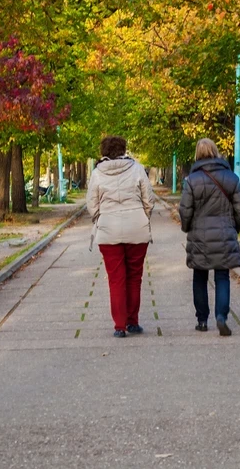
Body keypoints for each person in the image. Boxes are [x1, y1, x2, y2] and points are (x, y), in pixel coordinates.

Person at [86, 136, 155, 338]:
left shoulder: (98, 174)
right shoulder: (137, 169)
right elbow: (148, 199)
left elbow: (92, 205)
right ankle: (133, 322)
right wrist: (143, 215)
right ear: (124, 149)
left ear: (103, 151)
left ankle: (119, 326)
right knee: (135, 277)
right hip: (136, 229)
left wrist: (102, 217)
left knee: (116, 279)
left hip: (109, 232)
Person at [179, 138, 240, 336]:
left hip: (200, 235)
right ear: (216, 152)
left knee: (199, 276)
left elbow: (185, 210)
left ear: (197, 155)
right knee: (222, 275)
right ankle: (221, 316)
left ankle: (202, 320)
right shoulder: (231, 178)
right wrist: (235, 228)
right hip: (225, 232)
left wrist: (187, 227)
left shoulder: (192, 181)